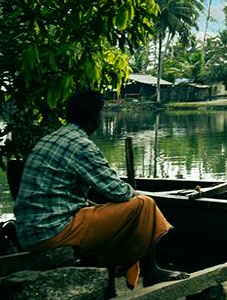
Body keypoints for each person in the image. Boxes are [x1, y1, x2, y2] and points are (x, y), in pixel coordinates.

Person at [14, 89, 187, 297]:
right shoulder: (81, 145)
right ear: (94, 117)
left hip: (29, 232)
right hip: (53, 231)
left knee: (107, 214)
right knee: (145, 204)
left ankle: (111, 286)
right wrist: (135, 193)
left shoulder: (49, 139)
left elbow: (62, 195)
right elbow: (118, 192)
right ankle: (151, 270)